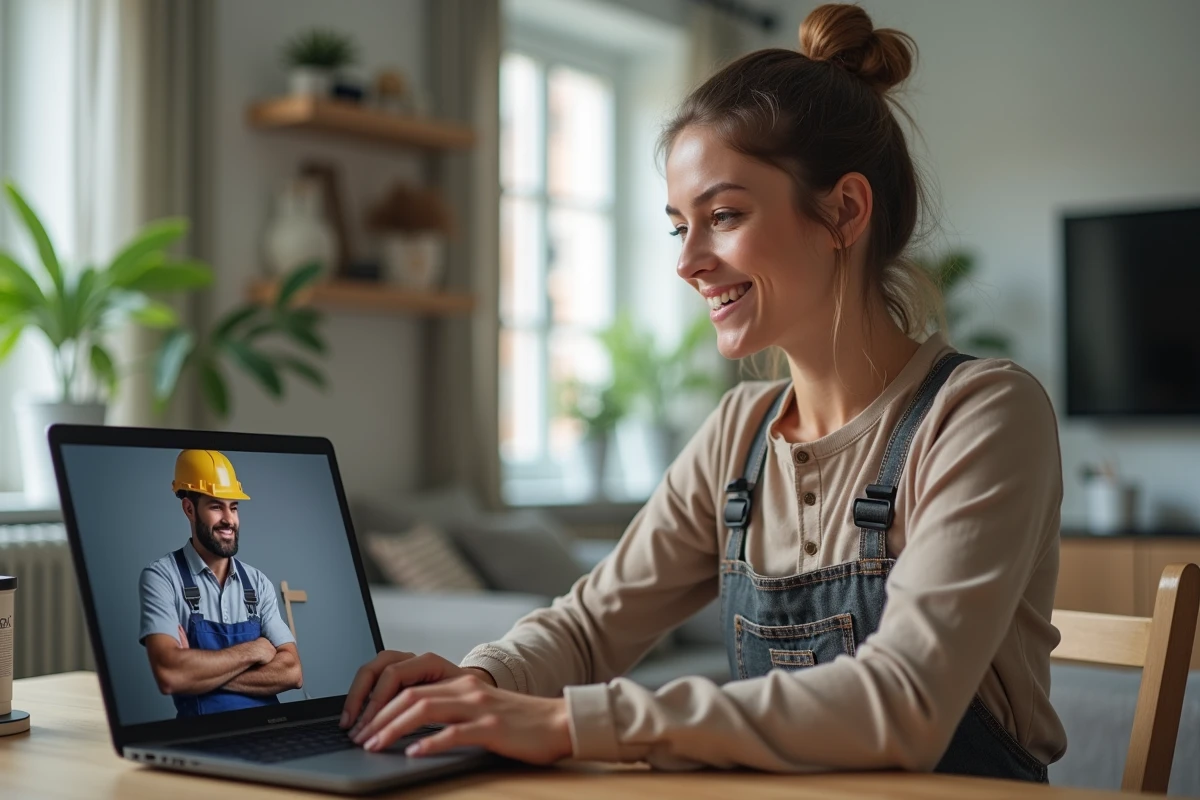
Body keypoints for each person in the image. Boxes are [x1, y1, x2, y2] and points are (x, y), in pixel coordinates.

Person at [340, 3, 1066, 778]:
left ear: (845, 211)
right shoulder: (739, 432)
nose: (689, 261)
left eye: (722, 215)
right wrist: (478, 683)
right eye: (677, 226)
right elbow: (591, 628)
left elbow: (903, 705)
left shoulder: (980, 414)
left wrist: (567, 722)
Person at [139, 449, 303, 717]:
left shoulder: (258, 583)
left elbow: (292, 672)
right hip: (203, 740)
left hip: (268, 735)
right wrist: (255, 650)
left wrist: (198, 675)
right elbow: (171, 674)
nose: (229, 520)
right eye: (216, 506)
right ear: (189, 509)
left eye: (234, 507)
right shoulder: (161, 577)